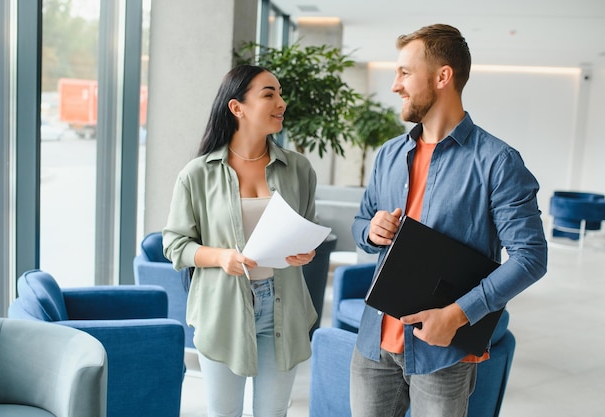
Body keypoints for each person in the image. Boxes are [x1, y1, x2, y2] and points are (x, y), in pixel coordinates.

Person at [350, 24, 548, 417]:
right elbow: (360, 222)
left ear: (443, 76)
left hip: (443, 353)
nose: (395, 86)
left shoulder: (498, 162)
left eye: (405, 73)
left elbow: (531, 258)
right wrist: (370, 231)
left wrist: (456, 315)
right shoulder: (389, 155)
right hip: (374, 346)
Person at [162, 64, 318, 417]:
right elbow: (174, 245)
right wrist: (221, 258)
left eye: (280, 93)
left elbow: (307, 228)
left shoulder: (299, 169)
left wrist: (306, 250)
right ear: (237, 108)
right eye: (269, 94)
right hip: (223, 311)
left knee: (273, 411)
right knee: (224, 413)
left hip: (284, 307)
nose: (282, 102)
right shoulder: (197, 174)